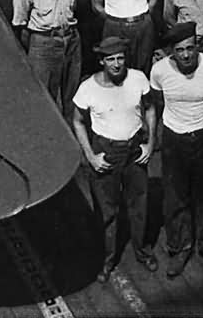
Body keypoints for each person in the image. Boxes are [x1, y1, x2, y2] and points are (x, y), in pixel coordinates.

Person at [149, 22, 203, 276]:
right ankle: (180, 246)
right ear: (172, 51)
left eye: (190, 48)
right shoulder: (159, 72)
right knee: (175, 194)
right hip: (174, 139)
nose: (186, 55)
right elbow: (158, 103)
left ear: (198, 46)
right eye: (180, 50)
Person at [72, 35, 158, 280]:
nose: (117, 64)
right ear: (102, 61)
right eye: (111, 59)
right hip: (106, 152)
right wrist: (91, 156)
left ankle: (143, 251)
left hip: (134, 150)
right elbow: (77, 121)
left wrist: (150, 143)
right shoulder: (88, 88)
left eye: (121, 58)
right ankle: (107, 261)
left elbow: (150, 108)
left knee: (139, 205)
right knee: (107, 211)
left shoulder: (138, 79)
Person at [12, 0, 80, 118]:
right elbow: (20, 26)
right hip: (43, 45)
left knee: (72, 95)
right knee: (45, 100)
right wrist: (39, 46)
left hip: (71, 39)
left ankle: (76, 136)